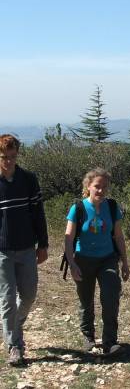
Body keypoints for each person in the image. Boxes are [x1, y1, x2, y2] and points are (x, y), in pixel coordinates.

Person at [64, 168, 130, 355]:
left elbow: (118, 236)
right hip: (83, 259)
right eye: (97, 186)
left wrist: (125, 262)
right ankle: (88, 337)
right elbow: (68, 238)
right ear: (88, 186)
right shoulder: (78, 208)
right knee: (86, 301)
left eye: (104, 187)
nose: (100, 191)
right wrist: (72, 263)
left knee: (110, 297)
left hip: (107, 259)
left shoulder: (112, 207)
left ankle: (110, 341)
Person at [0, 134, 48, 366]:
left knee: (28, 295)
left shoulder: (28, 179)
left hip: (27, 247)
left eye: (12, 156)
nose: (8, 161)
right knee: (7, 299)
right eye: (3, 157)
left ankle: (15, 325)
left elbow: (38, 214)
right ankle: (14, 346)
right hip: (2, 252)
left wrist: (44, 244)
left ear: (17, 155)